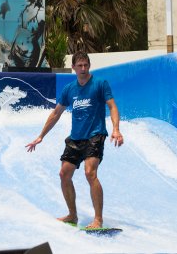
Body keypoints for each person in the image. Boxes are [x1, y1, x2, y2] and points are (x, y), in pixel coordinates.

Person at [26, 51, 123, 228]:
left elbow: (112, 106)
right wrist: (41, 136)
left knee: (89, 172)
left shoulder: (100, 84)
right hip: (76, 138)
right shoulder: (69, 89)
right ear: (73, 68)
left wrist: (116, 129)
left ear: (89, 66)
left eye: (86, 65)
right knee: (64, 174)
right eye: (80, 66)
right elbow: (56, 113)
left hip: (95, 135)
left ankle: (98, 220)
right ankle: (72, 215)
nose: (83, 68)